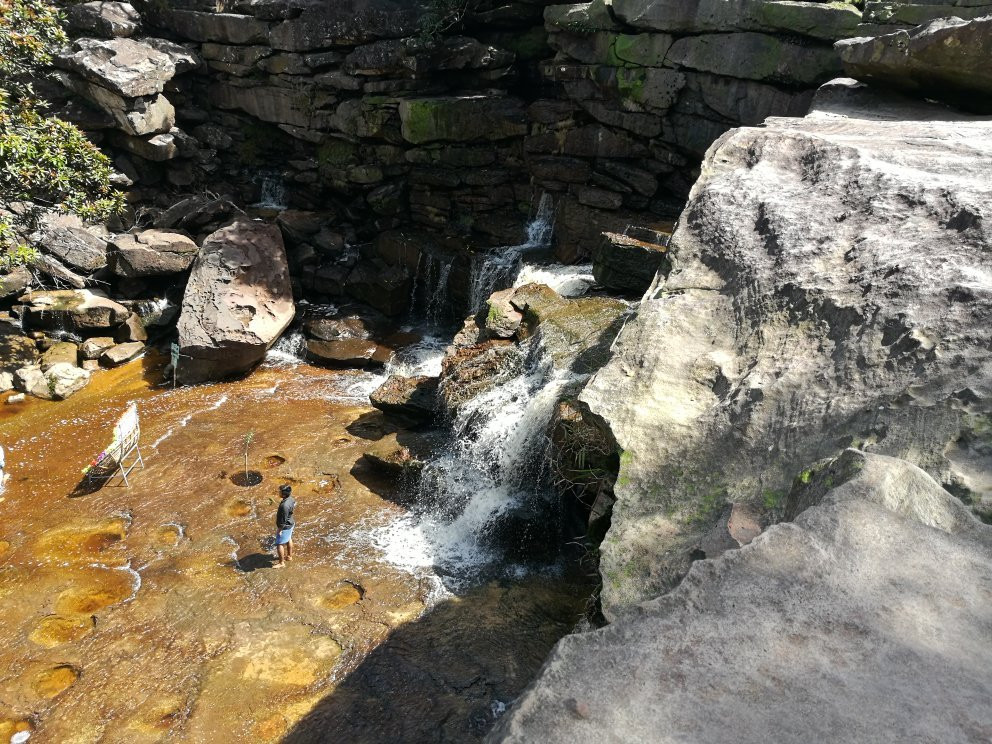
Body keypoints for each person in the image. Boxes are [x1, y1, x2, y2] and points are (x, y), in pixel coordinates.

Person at [273, 483, 296, 568]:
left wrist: (280, 529)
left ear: (283, 494)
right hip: (291, 523)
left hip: (285, 526)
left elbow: (283, 520)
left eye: (279, 492)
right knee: (289, 538)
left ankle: (281, 563)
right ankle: (289, 556)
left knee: (280, 544)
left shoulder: (284, 506)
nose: (278, 493)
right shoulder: (291, 499)